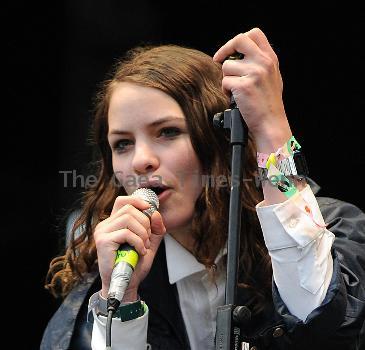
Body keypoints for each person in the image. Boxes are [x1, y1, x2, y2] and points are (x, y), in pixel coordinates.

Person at [41, 28, 365, 350]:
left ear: (219, 141)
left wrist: (269, 126)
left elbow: (323, 325)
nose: (141, 160)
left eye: (167, 132)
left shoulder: (333, 228)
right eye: (123, 143)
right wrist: (124, 297)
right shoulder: (118, 271)